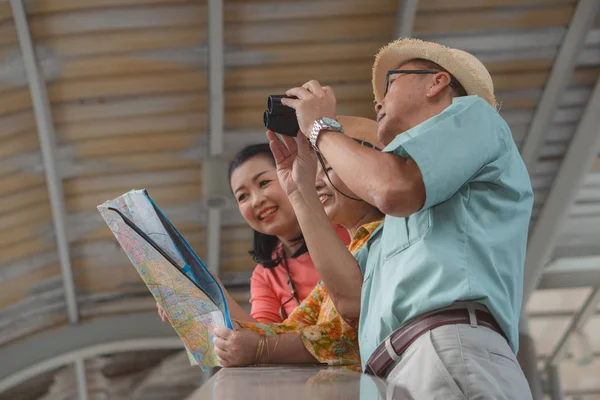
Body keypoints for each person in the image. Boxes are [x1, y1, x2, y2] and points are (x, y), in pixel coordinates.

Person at [275, 38, 535, 399]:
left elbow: (392, 187)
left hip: (444, 349)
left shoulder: (475, 116)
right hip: (402, 368)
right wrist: (299, 191)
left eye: (391, 82)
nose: (378, 101)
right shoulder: (398, 213)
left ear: (437, 82)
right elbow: (352, 300)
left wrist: (320, 127)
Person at [212, 116, 384, 372]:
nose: (317, 181)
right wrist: (210, 292)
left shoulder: (384, 238)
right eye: (243, 196)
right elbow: (278, 333)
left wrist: (262, 349)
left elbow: (347, 333)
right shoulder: (349, 248)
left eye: (264, 183)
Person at [157, 143, 350, 324]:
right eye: (243, 196)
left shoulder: (347, 227)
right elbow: (262, 339)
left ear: (292, 175)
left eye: (264, 182)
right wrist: (208, 296)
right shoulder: (265, 275)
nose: (256, 201)